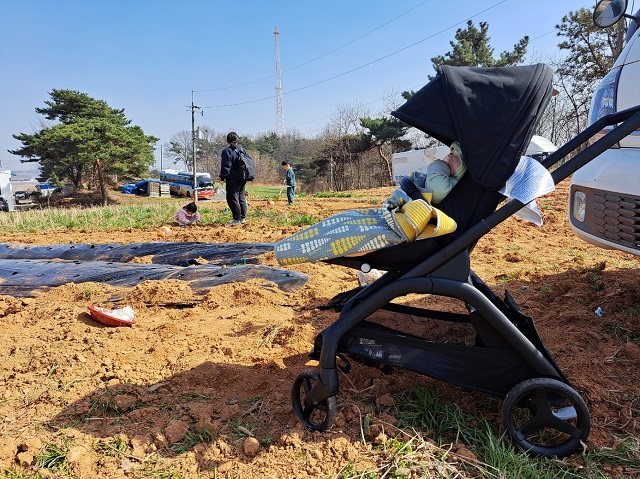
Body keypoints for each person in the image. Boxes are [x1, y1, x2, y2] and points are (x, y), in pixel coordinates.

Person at [220, 131, 248, 226]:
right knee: (241, 197)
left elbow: (226, 166)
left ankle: (236, 219)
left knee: (232, 198)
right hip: (243, 177)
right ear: (237, 140)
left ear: (228, 141)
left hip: (232, 178)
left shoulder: (227, 151)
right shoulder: (242, 150)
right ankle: (243, 218)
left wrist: (222, 177)